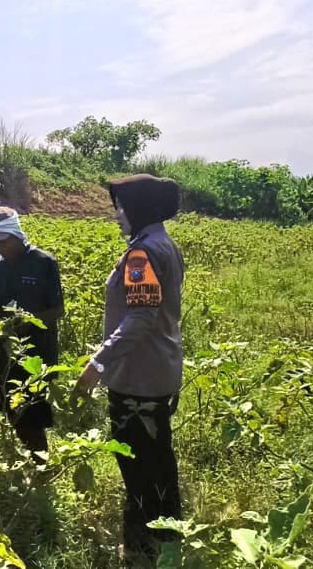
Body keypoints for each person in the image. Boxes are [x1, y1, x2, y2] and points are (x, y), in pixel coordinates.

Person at [76, 174, 185, 564]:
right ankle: (169, 535)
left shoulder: (142, 254)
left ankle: (140, 548)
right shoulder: (163, 244)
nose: (116, 215)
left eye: (121, 207)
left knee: (137, 464)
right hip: (160, 370)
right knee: (159, 459)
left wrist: (98, 362)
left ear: (139, 209)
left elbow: (140, 317)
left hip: (139, 377)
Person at [0, 206, 64, 465]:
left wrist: (27, 322)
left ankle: (41, 466)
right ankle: (21, 463)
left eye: (1, 242)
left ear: (16, 235)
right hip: (7, 352)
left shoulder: (44, 262)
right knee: (11, 408)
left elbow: (57, 310)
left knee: (33, 412)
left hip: (37, 354)